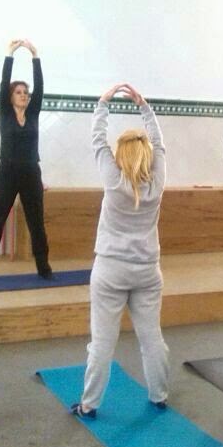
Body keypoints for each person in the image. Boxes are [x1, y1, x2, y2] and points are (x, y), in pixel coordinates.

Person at [70, 83, 168, 418]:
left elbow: (97, 140)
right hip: (147, 271)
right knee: (151, 337)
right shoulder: (157, 181)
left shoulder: (113, 179)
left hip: (111, 270)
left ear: (120, 156)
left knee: (102, 343)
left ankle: (89, 404)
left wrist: (103, 103)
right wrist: (144, 106)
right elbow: (160, 144)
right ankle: (160, 395)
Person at [0, 39, 52, 283]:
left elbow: (39, 86)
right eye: (18, 92)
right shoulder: (5, 113)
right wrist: (10, 54)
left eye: (25, 93)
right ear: (10, 97)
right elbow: (2, 84)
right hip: (6, 172)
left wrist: (35, 56)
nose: (24, 95)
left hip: (30, 172)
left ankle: (43, 268)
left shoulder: (34, 113)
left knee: (36, 222)